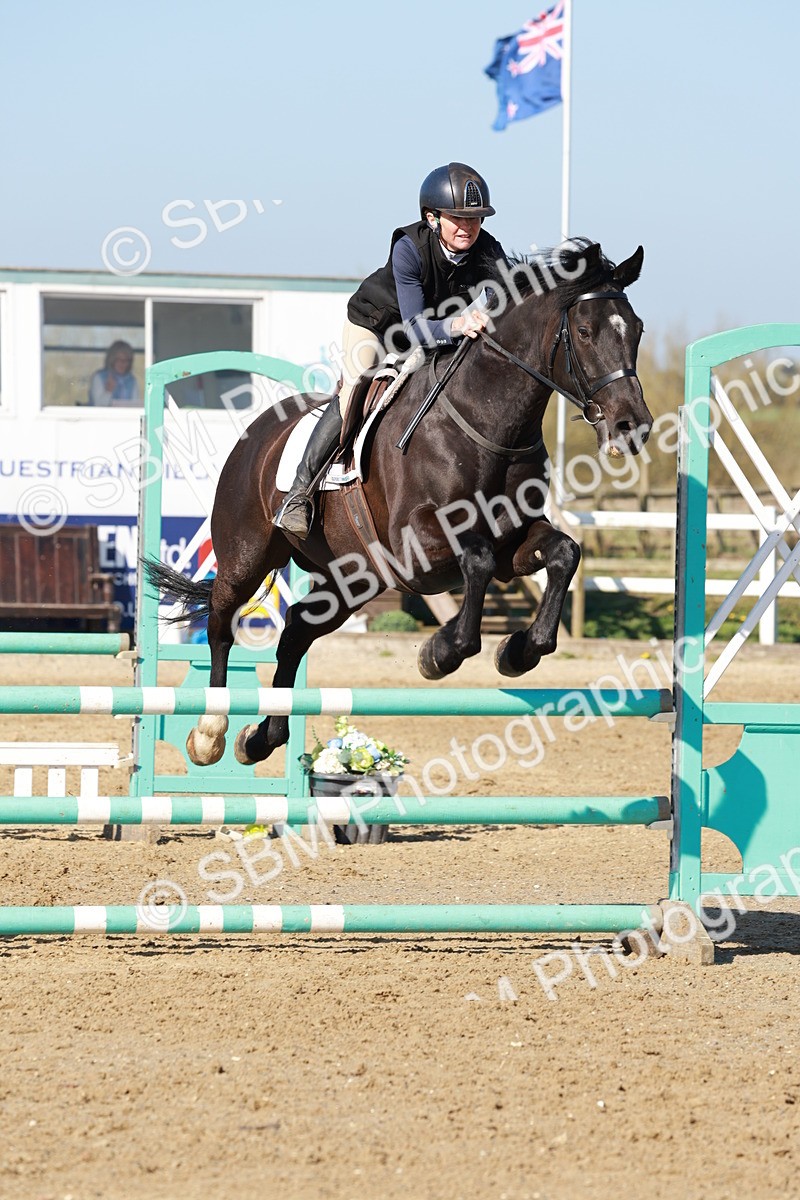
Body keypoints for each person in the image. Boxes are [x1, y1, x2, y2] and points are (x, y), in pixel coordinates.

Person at [273, 162, 508, 538]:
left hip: (435, 332)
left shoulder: (486, 247)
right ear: (432, 218)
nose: (469, 227)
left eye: (476, 218)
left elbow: (508, 289)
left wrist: (491, 304)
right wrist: (460, 324)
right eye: (458, 218)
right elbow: (415, 329)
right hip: (376, 327)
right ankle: (299, 495)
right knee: (356, 389)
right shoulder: (409, 248)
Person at [88, 340, 140, 406]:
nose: (123, 363)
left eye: (126, 360)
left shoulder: (132, 380)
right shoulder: (99, 377)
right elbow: (98, 405)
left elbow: (135, 406)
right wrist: (108, 391)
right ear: (112, 359)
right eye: (119, 360)